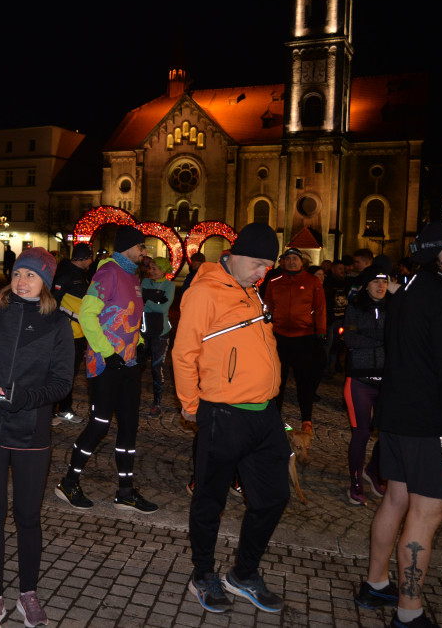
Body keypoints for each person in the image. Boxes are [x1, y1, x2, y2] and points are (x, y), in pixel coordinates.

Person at [355, 198, 442, 628]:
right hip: (430, 426)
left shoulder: (407, 290)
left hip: (395, 418)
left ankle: (375, 585)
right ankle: (409, 613)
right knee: (425, 515)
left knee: (395, 500)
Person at [173, 222, 289, 615]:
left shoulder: (251, 290)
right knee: (210, 500)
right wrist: (190, 405)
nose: (264, 273)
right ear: (235, 255)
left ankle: (243, 574)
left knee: (273, 498)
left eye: (267, 267)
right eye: (258, 264)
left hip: (265, 414)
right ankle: (202, 574)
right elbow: (184, 352)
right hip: (223, 413)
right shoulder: (204, 291)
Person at [0, 248, 73, 628]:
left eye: (30, 275)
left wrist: (21, 398)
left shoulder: (58, 324)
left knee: (28, 517)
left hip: (31, 433)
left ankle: (27, 592)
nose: (21, 281)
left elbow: (61, 384)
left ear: (45, 282)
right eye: (17, 274)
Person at [55, 226, 158, 514]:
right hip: (105, 364)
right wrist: (107, 351)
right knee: (99, 424)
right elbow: (87, 314)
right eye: (141, 247)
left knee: (129, 427)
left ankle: (125, 492)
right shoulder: (108, 272)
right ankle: (69, 482)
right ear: (128, 247)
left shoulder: (131, 276)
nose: (144, 252)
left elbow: (131, 317)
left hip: (129, 364)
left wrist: (138, 343)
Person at [342, 256, 392, 506]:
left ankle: (372, 470)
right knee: (360, 434)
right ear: (366, 285)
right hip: (359, 379)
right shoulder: (354, 308)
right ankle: (355, 483)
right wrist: (383, 339)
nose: (380, 286)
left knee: (389, 433)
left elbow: (402, 341)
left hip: (388, 381)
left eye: (384, 281)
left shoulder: (396, 308)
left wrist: (372, 336)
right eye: (375, 281)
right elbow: (350, 340)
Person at [263, 247, 326, 434]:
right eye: (288, 259)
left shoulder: (313, 282)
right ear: (283, 262)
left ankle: (306, 419)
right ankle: (275, 417)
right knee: (277, 380)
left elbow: (320, 308)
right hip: (280, 336)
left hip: (303, 338)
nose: (291, 262)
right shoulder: (274, 282)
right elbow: (268, 305)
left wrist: (320, 331)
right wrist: (266, 326)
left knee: (303, 381)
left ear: (301, 262)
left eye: (295, 259)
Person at [51, 243, 93, 425]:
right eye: (90, 257)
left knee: (70, 374)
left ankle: (63, 409)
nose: (92, 260)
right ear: (84, 259)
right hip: (68, 334)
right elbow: (53, 302)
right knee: (62, 373)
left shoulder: (80, 274)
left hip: (78, 334)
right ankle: (53, 411)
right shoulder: (65, 274)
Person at [141, 256, 175, 416]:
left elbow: (163, 308)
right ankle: (132, 398)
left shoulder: (169, 285)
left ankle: (157, 402)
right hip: (143, 330)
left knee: (156, 368)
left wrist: (147, 303)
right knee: (137, 366)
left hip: (160, 333)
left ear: (163, 270)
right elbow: (139, 303)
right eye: (150, 268)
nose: (151, 271)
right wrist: (153, 304)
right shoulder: (145, 283)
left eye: (155, 268)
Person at [324, 260, 349, 373]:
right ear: (333, 269)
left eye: (343, 269)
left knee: (337, 345)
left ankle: (334, 364)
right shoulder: (328, 282)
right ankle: (326, 367)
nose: (342, 272)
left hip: (342, 318)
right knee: (328, 345)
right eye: (339, 269)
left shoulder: (345, 282)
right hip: (331, 319)